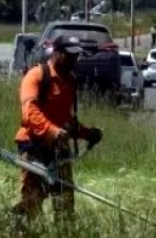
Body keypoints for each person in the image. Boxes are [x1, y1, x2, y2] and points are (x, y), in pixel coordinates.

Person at [11, 35, 103, 227]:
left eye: (77, 56)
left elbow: (66, 121)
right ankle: (16, 235)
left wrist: (86, 133)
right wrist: (52, 131)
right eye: (70, 56)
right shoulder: (37, 76)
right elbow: (29, 111)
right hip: (35, 146)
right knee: (32, 199)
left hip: (60, 150)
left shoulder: (70, 81)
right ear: (57, 53)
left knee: (65, 204)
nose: (74, 60)